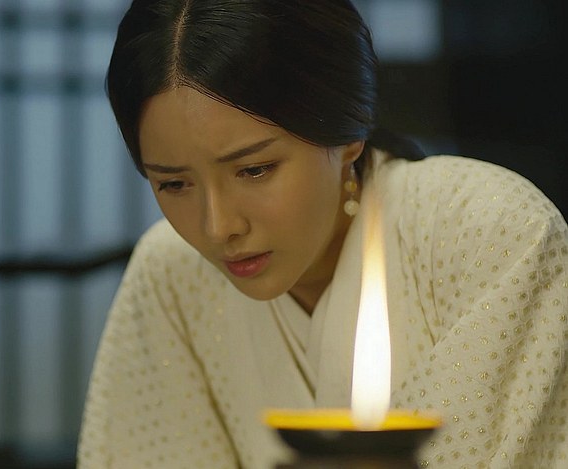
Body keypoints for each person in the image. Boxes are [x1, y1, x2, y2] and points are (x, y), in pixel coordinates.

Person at [77, 1, 568, 468]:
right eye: (174, 184)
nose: (218, 226)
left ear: (348, 133)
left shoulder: (489, 231)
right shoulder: (171, 272)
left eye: (254, 169)